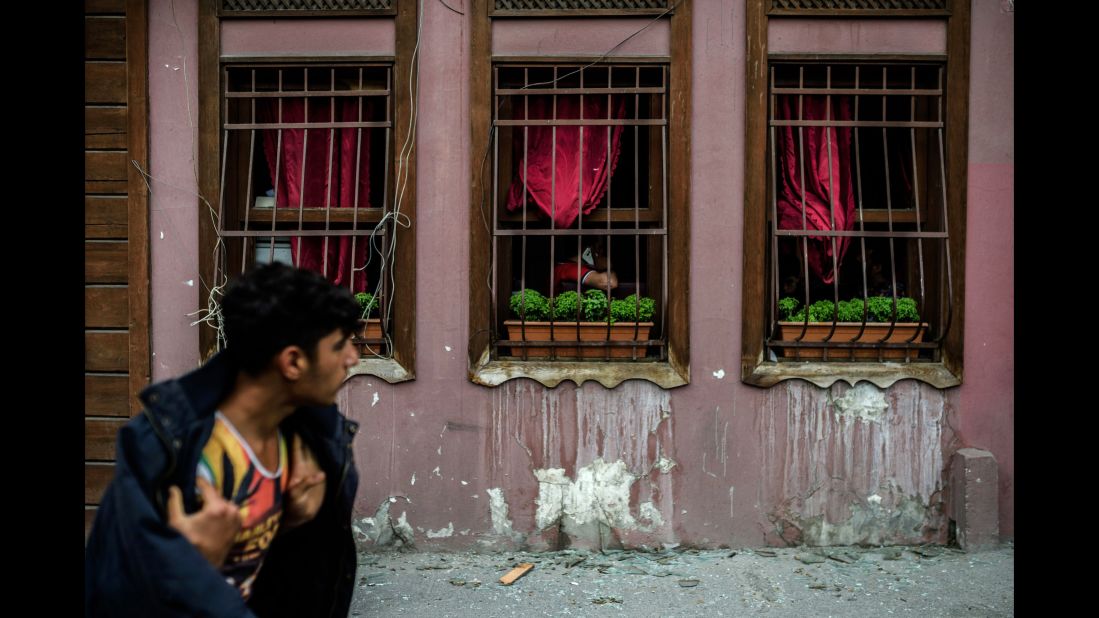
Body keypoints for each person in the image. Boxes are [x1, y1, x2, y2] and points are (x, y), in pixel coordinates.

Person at [85, 263, 363, 618]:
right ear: (292, 362)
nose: (352, 359)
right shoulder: (167, 449)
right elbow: (112, 594)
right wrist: (192, 570)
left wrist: (291, 525)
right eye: (340, 346)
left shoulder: (307, 436)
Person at [551, 236, 618, 293]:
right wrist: (608, 267)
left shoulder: (564, 266)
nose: (600, 252)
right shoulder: (568, 268)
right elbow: (610, 283)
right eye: (598, 248)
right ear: (587, 251)